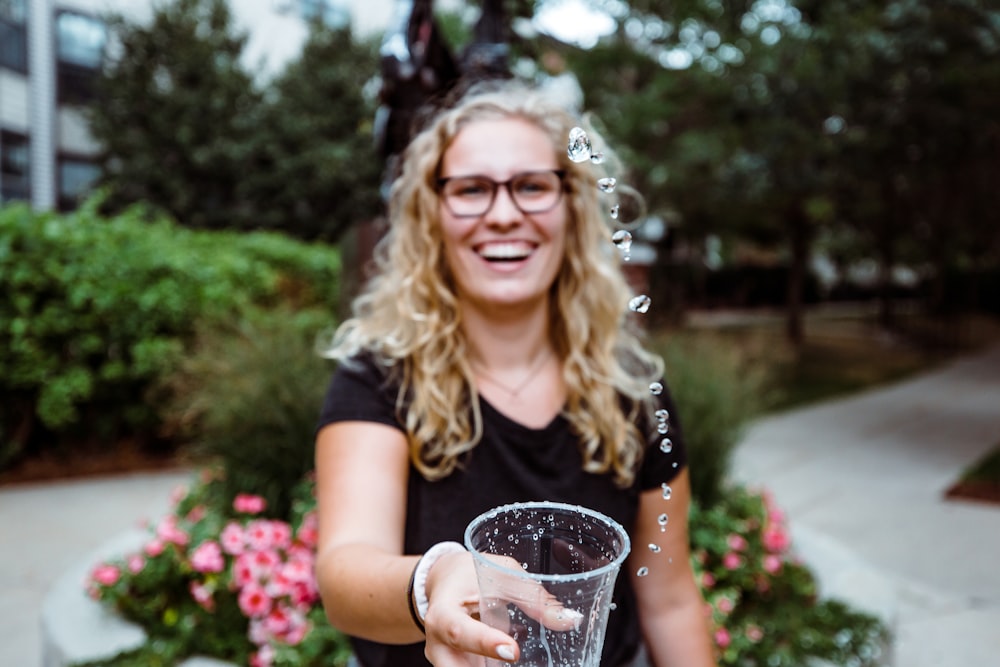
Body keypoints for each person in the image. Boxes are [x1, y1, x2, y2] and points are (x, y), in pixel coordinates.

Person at [314, 80, 716, 667]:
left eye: (531, 186)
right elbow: (346, 574)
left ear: (572, 206)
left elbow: (670, 600)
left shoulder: (635, 396)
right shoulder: (378, 380)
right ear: (433, 215)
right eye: (472, 189)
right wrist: (438, 578)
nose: (503, 215)